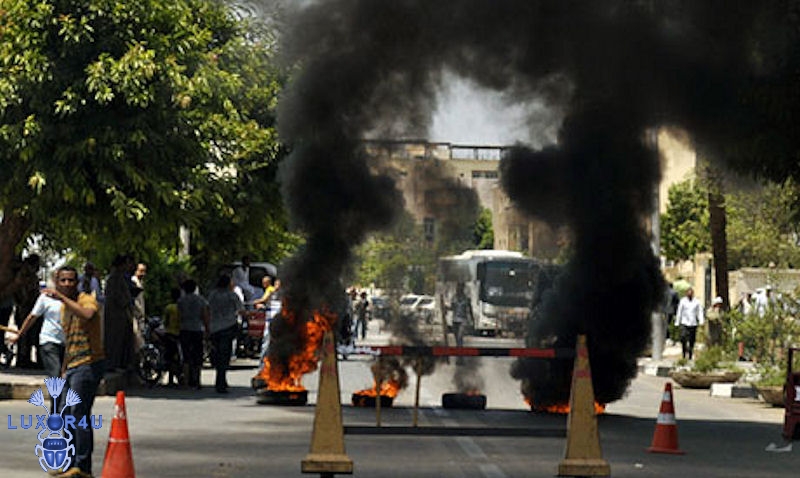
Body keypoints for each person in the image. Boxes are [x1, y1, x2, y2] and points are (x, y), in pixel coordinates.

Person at [47, 265, 105, 478]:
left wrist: (63, 299)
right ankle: (71, 464)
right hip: (72, 366)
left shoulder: (85, 300)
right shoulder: (64, 309)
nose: (67, 284)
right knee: (65, 415)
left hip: (89, 364)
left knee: (79, 415)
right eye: (63, 280)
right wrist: (63, 369)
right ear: (57, 281)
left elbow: (89, 314)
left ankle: (84, 467)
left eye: (71, 280)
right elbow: (69, 342)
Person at [10, 271, 66, 378]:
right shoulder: (45, 298)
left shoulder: (74, 299)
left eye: (69, 281)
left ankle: (59, 394)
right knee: (56, 371)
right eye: (62, 280)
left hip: (67, 341)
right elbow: (32, 317)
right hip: (49, 340)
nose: (66, 283)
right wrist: (20, 334)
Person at [207, 275, 244, 393]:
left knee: (217, 354)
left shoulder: (212, 295)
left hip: (214, 328)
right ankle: (221, 381)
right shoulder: (232, 295)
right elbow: (241, 310)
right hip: (227, 327)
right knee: (225, 356)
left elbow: (207, 309)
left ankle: (220, 379)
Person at [104, 254, 135, 372]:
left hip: (121, 315)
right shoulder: (114, 278)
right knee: (114, 341)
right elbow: (117, 296)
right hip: (115, 315)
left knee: (122, 340)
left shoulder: (120, 277)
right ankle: (112, 364)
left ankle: (120, 363)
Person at [178, 279, 210, 389]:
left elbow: (179, 316)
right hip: (197, 329)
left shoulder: (181, 301)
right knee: (198, 355)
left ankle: (186, 381)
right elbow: (205, 315)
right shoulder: (201, 300)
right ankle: (198, 381)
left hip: (184, 329)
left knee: (186, 355)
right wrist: (207, 329)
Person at [14, 254, 41, 369]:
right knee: (24, 335)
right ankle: (23, 359)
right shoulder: (24, 275)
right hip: (25, 309)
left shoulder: (29, 274)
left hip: (29, 308)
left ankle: (26, 359)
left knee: (29, 335)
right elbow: (21, 292)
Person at [162, 287, 183, 386]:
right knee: (178, 358)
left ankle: (171, 379)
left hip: (170, 333)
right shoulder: (182, 307)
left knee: (170, 358)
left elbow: (165, 321)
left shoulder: (169, 307)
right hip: (180, 334)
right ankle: (180, 376)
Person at [675, 287, 704, 360]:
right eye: (688, 293)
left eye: (691, 293)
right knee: (683, 337)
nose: (689, 294)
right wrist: (677, 322)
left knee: (692, 339)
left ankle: (690, 354)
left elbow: (699, 312)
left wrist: (701, 321)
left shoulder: (696, 302)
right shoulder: (683, 301)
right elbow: (679, 311)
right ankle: (684, 352)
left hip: (693, 323)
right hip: (684, 322)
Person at [449, 282, 472, 348]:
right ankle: (459, 348)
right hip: (455, 320)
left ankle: (460, 350)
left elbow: (470, 309)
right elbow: (452, 307)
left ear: (462, 288)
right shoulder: (454, 297)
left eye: (460, 287)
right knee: (456, 338)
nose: (458, 289)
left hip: (463, 320)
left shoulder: (466, 299)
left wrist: (472, 320)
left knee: (460, 336)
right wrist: (446, 308)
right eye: (457, 288)